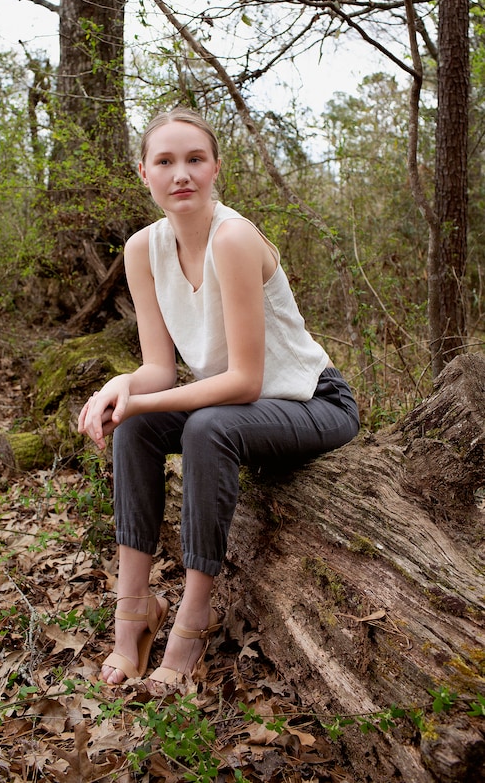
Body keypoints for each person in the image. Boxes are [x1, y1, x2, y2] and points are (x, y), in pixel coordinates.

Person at [77, 107, 360, 686]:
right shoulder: (141, 250)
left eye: (194, 159)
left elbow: (245, 383)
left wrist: (146, 400)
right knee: (133, 426)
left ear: (215, 169)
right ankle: (133, 610)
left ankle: (193, 615)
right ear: (144, 173)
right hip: (239, 409)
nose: (181, 173)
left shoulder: (233, 238)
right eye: (165, 161)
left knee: (207, 426)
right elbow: (159, 368)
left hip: (313, 402)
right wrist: (122, 386)